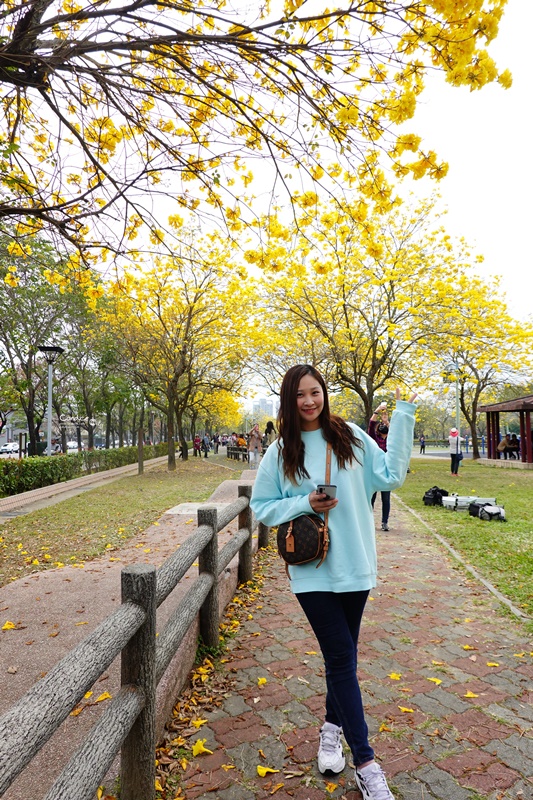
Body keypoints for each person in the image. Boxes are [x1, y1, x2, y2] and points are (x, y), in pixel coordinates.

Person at [250, 364, 416, 800]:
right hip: (311, 571)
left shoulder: (351, 438)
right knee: (341, 656)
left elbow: (392, 477)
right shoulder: (280, 451)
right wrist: (304, 501)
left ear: (324, 393)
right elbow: (262, 507)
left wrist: (403, 414)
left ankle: (329, 730)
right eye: (300, 395)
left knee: (341, 658)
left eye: (315, 392)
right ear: (290, 400)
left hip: (356, 565)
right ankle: (366, 762)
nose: (309, 401)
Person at [368, 403, 393, 531]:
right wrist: (376, 411)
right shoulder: (374, 439)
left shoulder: (390, 440)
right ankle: (368, 520)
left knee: (386, 498)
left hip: (385, 472)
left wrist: (387, 421)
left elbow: (394, 433)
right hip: (374, 472)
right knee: (371, 498)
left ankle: (384, 522)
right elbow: (371, 424)